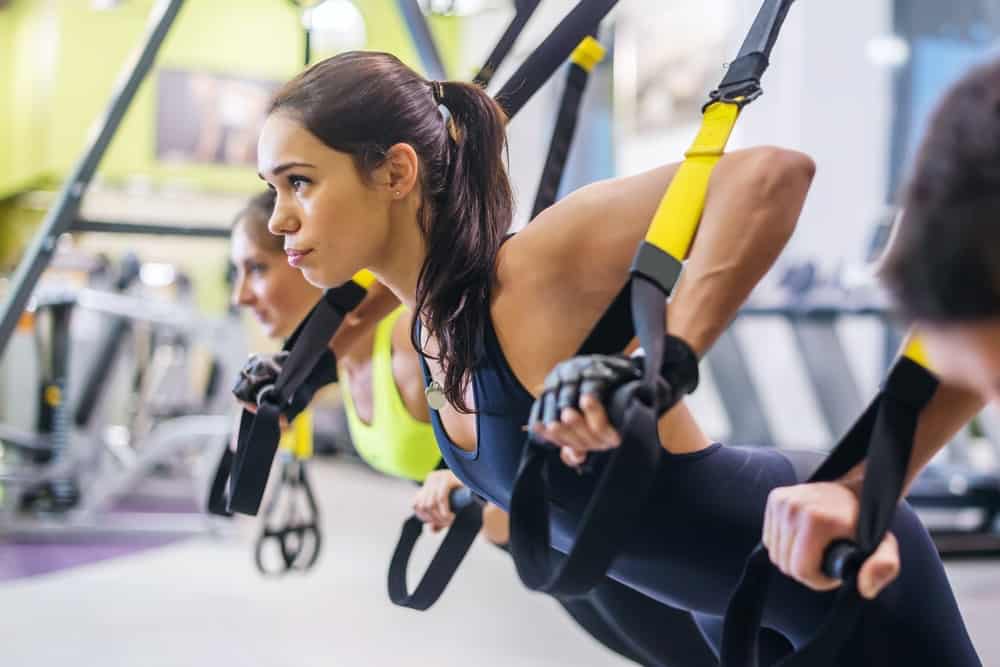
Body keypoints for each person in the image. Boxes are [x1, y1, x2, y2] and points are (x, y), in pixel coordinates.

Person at [255, 50, 979, 663]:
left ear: (394, 173)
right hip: (732, 613)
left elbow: (770, 175)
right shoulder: (427, 329)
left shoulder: (533, 270)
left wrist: (664, 366)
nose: (279, 217)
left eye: (299, 182)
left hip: (839, 573)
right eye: (273, 190)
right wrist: (474, 488)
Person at [232, 189, 717, 666]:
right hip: (541, 544)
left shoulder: (410, 339)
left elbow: (519, 392)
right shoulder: (339, 365)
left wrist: (463, 473)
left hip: (597, 526)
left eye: (257, 268)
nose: (242, 294)